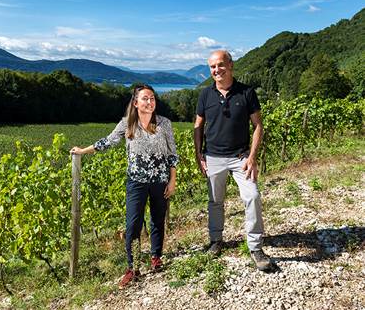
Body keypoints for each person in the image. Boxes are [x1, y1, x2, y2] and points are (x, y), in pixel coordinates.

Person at [70, 84, 178, 288]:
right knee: (133, 225)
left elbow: (172, 154)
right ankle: (133, 267)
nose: (150, 102)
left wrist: (172, 181)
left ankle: (156, 258)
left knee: (157, 221)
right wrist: (83, 151)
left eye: (152, 98)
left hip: (160, 181)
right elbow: (108, 142)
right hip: (136, 183)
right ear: (135, 103)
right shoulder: (127, 124)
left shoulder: (165, 123)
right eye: (145, 98)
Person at [194, 50, 272, 271]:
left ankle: (256, 248)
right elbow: (198, 127)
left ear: (230, 65)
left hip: (241, 158)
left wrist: (253, 157)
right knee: (215, 202)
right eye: (212, 67)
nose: (216, 70)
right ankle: (216, 240)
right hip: (213, 158)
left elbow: (258, 125)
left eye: (220, 65)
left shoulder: (246, 92)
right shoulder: (205, 95)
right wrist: (198, 155)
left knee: (253, 197)